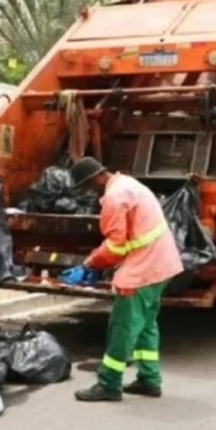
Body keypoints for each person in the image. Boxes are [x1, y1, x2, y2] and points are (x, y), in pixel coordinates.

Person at [62, 157, 183, 402]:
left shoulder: (114, 198)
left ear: (95, 178)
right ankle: (150, 380)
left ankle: (109, 384)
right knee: (146, 326)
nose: (87, 191)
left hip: (143, 269)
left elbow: (116, 247)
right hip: (162, 264)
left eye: (86, 186)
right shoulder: (128, 184)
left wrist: (90, 264)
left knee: (123, 328)